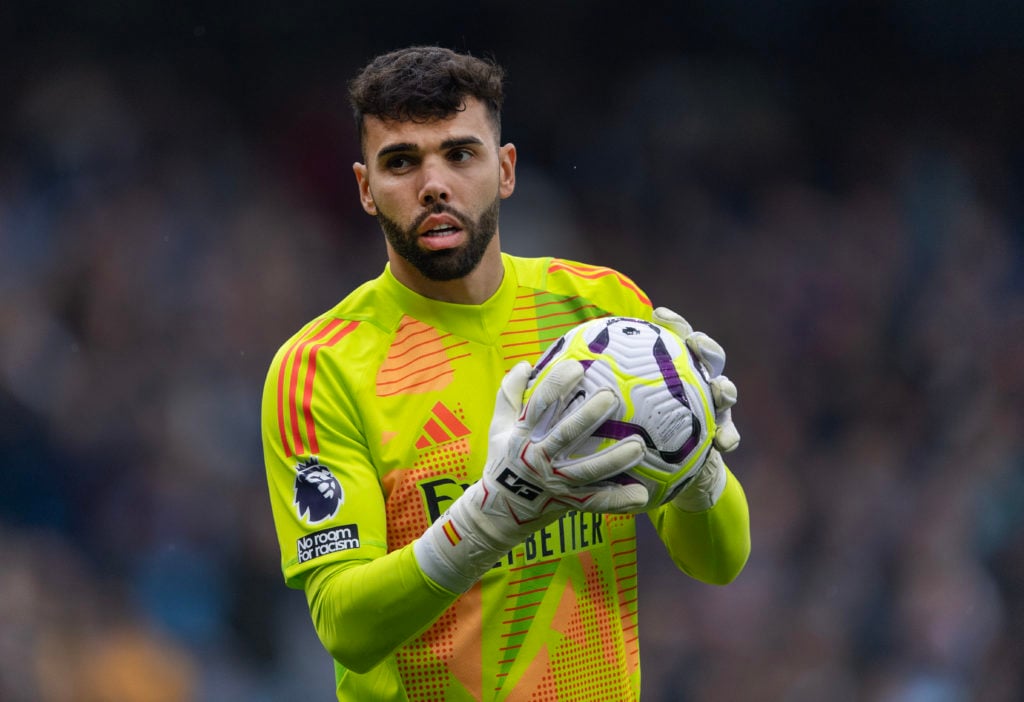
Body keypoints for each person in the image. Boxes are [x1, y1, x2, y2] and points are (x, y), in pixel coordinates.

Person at [261, 45, 750, 701]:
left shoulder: (601, 316)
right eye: (401, 161)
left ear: (506, 168)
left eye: (459, 154)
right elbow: (345, 624)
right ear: (365, 189)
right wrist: (489, 519)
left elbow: (719, 561)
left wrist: (700, 467)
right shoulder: (320, 369)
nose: (432, 183)